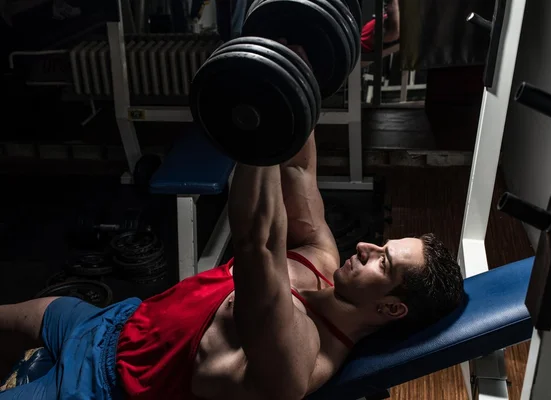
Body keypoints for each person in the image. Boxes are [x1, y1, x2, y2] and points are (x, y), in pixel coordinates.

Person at [0, 49, 463, 400]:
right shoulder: (320, 261)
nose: (364, 245)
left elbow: (256, 243)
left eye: (382, 261)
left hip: (96, 388)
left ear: (391, 309)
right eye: (381, 244)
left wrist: (255, 126)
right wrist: (296, 66)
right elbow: (299, 170)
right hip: (118, 321)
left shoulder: (299, 357)